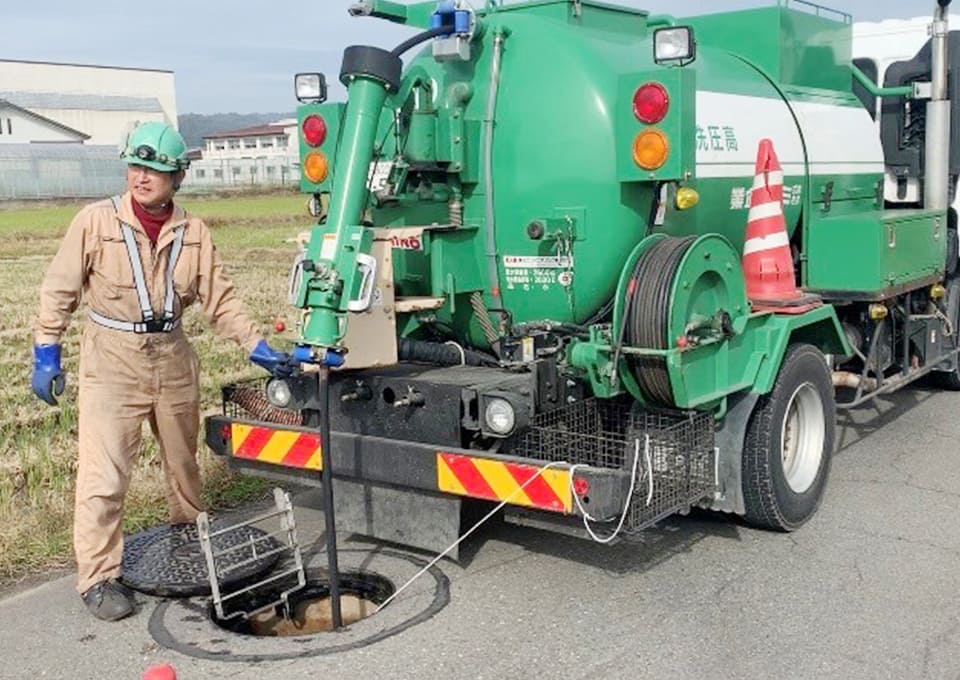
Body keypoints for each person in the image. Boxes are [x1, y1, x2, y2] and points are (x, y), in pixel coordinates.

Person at [31, 121, 293, 621]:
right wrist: (47, 350)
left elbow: (222, 299)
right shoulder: (94, 222)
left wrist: (256, 345)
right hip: (111, 359)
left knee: (183, 463)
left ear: (177, 176)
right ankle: (99, 577)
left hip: (173, 354)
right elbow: (58, 289)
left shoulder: (193, 232)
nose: (142, 176)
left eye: (154, 168)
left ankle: (188, 538)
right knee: (104, 475)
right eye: (136, 165)